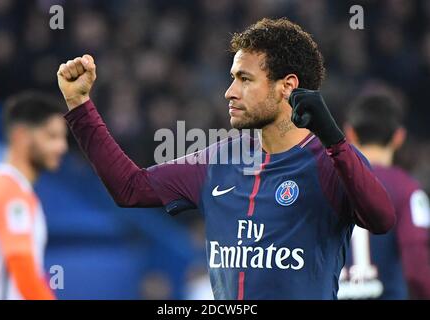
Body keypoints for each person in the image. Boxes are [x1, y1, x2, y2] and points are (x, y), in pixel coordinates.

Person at [57, 18, 395, 299]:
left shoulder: (329, 162)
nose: (229, 92)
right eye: (233, 78)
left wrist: (333, 139)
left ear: (287, 86)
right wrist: (80, 105)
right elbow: (129, 188)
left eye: (244, 79)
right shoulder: (218, 160)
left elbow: (381, 219)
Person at [339, 92, 430, 299]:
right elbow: (417, 270)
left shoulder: (327, 182)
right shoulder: (407, 189)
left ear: (349, 132)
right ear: (399, 137)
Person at [0, 91, 68, 299]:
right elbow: (22, 267)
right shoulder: (12, 195)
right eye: (52, 136)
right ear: (21, 136)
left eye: (63, 138)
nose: (62, 147)